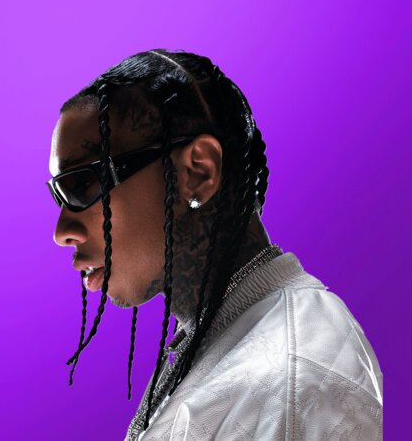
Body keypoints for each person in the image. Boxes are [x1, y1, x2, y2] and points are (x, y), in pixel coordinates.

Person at [47, 49, 383, 440]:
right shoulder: (230, 341)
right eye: (59, 194)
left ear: (198, 172)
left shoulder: (291, 382)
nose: (61, 231)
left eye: (83, 183)